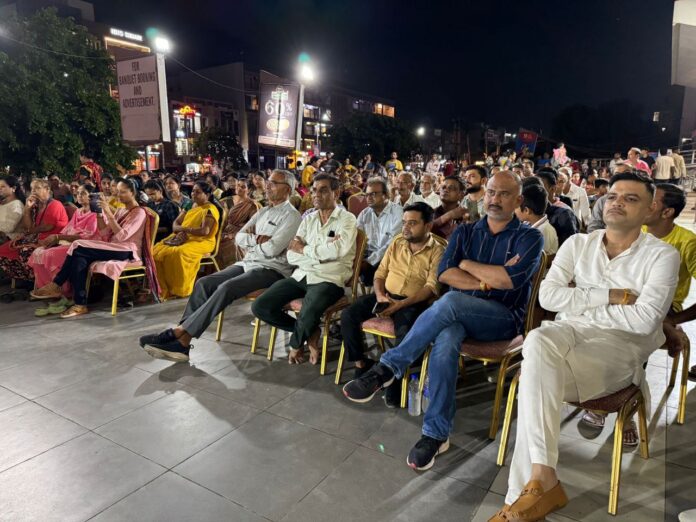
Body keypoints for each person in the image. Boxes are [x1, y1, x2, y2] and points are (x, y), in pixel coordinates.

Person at [489, 171, 679, 522]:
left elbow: (644, 321)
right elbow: (547, 297)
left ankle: (523, 497)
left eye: (631, 198)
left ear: (650, 208)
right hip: (566, 338)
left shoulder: (662, 256)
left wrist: (579, 301)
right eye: (613, 195)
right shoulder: (578, 243)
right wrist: (610, 296)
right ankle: (541, 480)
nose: (617, 202)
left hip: (617, 353)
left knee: (534, 381)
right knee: (539, 339)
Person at [343, 171, 544, 471]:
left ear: (518, 200)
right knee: (447, 337)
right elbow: (445, 274)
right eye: (491, 192)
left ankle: (389, 367)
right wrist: (487, 278)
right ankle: (435, 435)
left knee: (450, 302)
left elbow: (509, 281)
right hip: (458, 315)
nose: (494, 199)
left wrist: (466, 264)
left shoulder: (529, 237)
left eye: (504, 194)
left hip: (502, 319)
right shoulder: (466, 232)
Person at [139, 170, 301, 362]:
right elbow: (239, 237)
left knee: (226, 287)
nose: (268, 186)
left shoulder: (292, 216)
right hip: (248, 262)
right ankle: (182, 342)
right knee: (204, 283)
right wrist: (257, 240)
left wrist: (253, 242)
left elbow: (272, 249)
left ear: (287, 189)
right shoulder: (264, 211)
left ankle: (180, 334)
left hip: (272, 269)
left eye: (273, 183)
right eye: (269, 182)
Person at [340, 201, 445, 407]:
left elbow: (431, 288)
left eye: (412, 223)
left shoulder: (438, 250)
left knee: (405, 333)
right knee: (348, 315)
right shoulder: (397, 242)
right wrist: (380, 295)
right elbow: (380, 273)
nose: (406, 227)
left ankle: (394, 381)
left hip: (413, 302)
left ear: (428, 226)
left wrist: (401, 304)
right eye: (404, 222)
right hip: (385, 295)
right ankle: (361, 363)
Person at [252, 173, 357, 365]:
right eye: (314, 190)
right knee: (260, 306)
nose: (316, 194)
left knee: (309, 309)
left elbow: (338, 250)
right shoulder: (308, 219)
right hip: (302, 275)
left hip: (329, 279)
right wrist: (319, 254)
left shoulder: (347, 219)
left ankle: (296, 344)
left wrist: (304, 249)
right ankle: (311, 332)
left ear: (336, 193)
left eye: (323, 190)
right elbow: (291, 256)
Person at [30, 178, 158, 319]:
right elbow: (104, 233)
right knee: (79, 258)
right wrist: (99, 213)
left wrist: (109, 213)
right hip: (114, 247)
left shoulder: (139, 212)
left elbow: (122, 236)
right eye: (118, 191)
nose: (118, 195)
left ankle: (57, 283)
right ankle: (80, 304)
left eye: (123, 192)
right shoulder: (121, 210)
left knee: (77, 245)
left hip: (127, 251)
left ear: (133, 192)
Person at [28, 183, 99, 300]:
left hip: (84, 245)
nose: (79, 195)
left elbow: (87, 236)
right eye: (78, 193)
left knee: (51, 254)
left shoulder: (95, 213)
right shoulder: (78, 211)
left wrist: (58, 238)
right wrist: (56, 240)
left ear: (91, 196)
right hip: (69, 242)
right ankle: (44, 288)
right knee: (38, 252)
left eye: (83, 193)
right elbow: (67, 229)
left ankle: (62, 290)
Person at [152, 181, 221, 300]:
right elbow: (175, 224)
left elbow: (204, 231)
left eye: (198, 192)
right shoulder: (190, 205)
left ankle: (180, 290)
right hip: (183, 237)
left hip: (202, 241)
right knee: (156, 250)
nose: (193, 194)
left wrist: (184, 230)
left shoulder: (209, 209)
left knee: (179, 252)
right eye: (193, 191)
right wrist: (181, 231)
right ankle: (164, 288)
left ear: (207, 195)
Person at [0, 179, 68, 282]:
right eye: (32, 189)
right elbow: (28, 226)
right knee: (3, 250)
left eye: (37, 188)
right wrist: (27, 209)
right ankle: (25, 278)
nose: (34, 191)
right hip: (35, 239)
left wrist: (28, 233)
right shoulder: (35, 205)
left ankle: (35, 280)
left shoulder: (55, 204)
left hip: (52, 241)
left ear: (47, 189)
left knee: (24, 251)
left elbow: (47, 227)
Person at [356, 178, 403, 287]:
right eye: (367, 194)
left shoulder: (398, 213)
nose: (369, 197)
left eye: (373, 194)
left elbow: (392, 244)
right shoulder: (364, 214)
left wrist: (369, 261)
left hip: (389, 258)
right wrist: (358, 259)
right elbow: (357, 239)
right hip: (367, 256)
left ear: (386, 195)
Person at [217, 178, 259, 268]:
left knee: (233, 244)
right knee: (217, 242)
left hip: (241, 232)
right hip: (225, 230)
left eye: (243, 187)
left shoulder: (251, 205)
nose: (239, 188)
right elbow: (220, 218)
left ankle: (233, 270)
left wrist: (235, 234)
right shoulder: (227, 200)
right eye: (238, 185)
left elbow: (252, 225)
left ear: (248, 190)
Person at [536, 169, 578, 245]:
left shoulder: (564, 212)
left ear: (553, 188)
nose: (536, 191)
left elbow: (570, 243)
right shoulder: (533, 208)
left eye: (541, 188)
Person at [515, 182, 559, 255]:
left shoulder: (544, 231)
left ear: (526, 210)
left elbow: (534, 258)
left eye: (516, 207)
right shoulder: (527, 224)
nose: (514, 211)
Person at [0, 176, 25, 246]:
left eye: (3, 186)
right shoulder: (2, 204)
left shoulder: (17, 205)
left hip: (10, 242)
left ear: (13, 188)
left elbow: (8, 228)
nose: (0, 189)